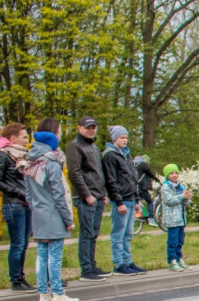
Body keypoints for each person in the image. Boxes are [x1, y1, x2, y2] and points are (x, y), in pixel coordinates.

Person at [22, 120, 79, 301]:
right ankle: (58, 292)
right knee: (55, 255)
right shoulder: (51, 163)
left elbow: (28, 194)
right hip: (53, 213)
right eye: (60, 132)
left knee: (41, 254)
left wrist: (36, 208)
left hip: (38, 213)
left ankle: (43, 295)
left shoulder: (30, 163)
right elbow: (59, 193)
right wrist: (67, 218)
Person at [66, 116, 110, 281]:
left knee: (94, 233)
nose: (91, 130)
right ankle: (86, 269)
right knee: (87, 233)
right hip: (86, 197)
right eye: (88, 127)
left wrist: (103, 193)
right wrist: (86, 195)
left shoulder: (94, 147)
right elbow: (75, 173)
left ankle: (92, 265)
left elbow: (99, 173)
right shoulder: (75, 147)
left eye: (93, 127)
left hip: (97, 195)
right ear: (79, 128)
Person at [0, 123, 35, 291]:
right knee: (17, 243)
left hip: (25, 203)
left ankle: (20, 278)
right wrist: (17, 192)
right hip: (13, 204)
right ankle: (16, 280)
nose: (27, 140)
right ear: (13, 138)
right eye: (24, 137)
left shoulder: (23, 155)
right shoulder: (3, 155)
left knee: (24, 243)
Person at [102, 125, 146, 275]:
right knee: (118, 234)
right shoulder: (110, 155)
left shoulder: (126, 155)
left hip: (131, 198)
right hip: (121, 200)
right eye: (122, 137)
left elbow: (132, 178)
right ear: (115, 138)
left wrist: (137, 199)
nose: (125, 140)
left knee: (128, 234)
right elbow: (111, 180)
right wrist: (118, 201)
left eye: (126, 137)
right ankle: (118, 263)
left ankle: (128, 261)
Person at [160, 164, 193, 271]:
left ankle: (179, 258)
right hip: (172, 219)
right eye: (171, 173)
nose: (174, 175)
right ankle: (172, 260)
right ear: (167, 175)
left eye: (176, 173)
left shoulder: (181, 186)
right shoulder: (165, 187)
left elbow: (185, 202)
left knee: (180, 240)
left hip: (181, 218)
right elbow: (169, 201)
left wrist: (187, 198)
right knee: (173, 240)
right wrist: (182, 196)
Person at [134, 154, 162, 225]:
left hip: (134, 187)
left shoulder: (132, 164)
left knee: (137, 202)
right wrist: (158, 180)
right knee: (149, 202)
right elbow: (151, 174)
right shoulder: (143, 164)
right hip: (142, 187)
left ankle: (138, 218)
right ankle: (151, 219)